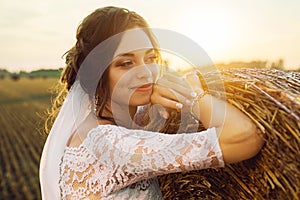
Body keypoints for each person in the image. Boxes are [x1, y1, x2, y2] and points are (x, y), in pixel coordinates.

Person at [39, 6, 264, 199]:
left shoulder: (91, 129)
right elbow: (244, 137)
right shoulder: (109, 142)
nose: (146, 73)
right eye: (126, 63)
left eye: (150, 58)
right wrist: (192, 94)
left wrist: (153, 103)